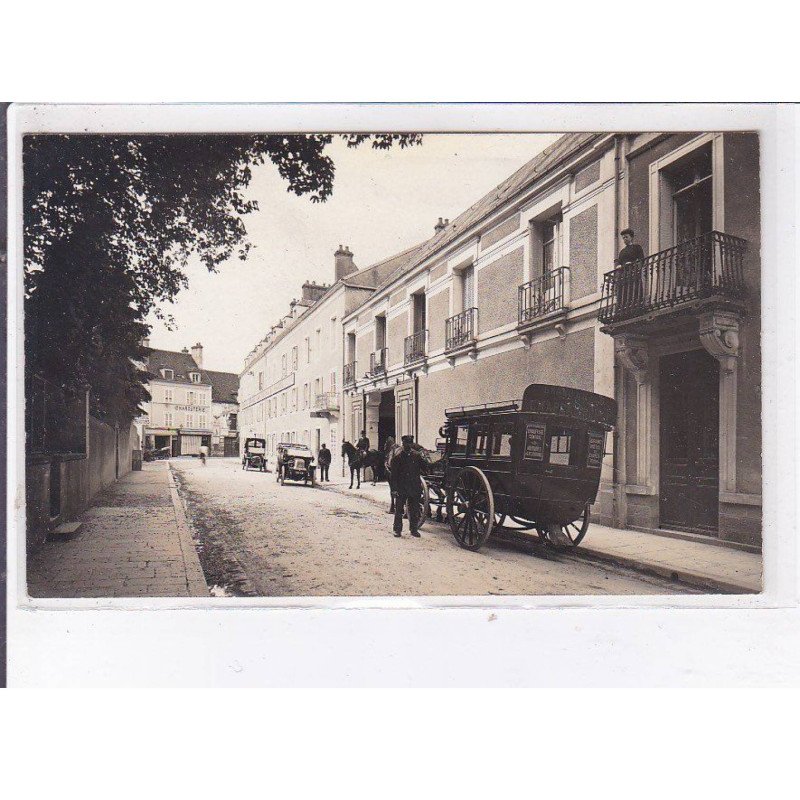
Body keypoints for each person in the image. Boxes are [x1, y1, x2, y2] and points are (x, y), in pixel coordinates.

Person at [389, 435, 427, 538]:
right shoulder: (398, 457)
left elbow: (425, 467)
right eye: (406, 443)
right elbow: (393, 476)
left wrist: (436, 464)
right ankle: (397, 530)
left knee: (414, 509)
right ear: (403, 444)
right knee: (399, 509)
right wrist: (394, 489)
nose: (408, 445)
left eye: (410, 443)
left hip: (414, 487)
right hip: (401, 488)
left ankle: (413, 529)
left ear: (411, 444)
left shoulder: (416, 456)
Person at [614, 228, 645, 310]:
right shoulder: (622, 252)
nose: (625, 239)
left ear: (631, 237)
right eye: (623, 238)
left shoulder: (637, 247)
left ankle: (635, 305)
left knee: (634, 289)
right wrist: (618, 265)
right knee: (624, 291)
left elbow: (641, 260)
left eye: (626, 237)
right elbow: (619, 261)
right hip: (624, 275)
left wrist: (633, 264)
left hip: (633, 273)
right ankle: (623, 306)